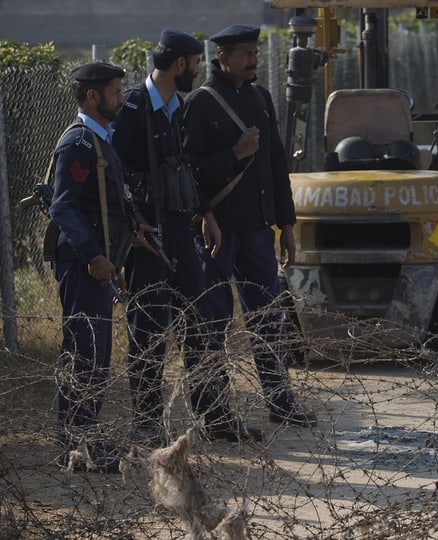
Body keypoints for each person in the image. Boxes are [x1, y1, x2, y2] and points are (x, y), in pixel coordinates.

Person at [113, 29, 272, 446]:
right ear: (180, 64)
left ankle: (215, 415)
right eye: (196, 63)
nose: (199, 70)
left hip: (181, 230)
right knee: (148, 331)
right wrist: (131, 224)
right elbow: (115, 173)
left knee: (201, 323)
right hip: (148, 236)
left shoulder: (175, 106)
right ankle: (147, 421)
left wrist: (206, 213)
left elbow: (180, 167)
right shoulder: (133, 106)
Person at [182, 24, 317, 436]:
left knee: (269, 320)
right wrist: (234, 154)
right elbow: (190, 173)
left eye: (255, 53)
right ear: (222, 58)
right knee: (212, 323)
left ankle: (280, 401)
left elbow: (277, 164)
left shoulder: (260, 98)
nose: (254, 60)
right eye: (245, 53)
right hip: (218, 233)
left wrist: (287, 225)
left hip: (258, 231)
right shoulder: (200, 105)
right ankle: (216, 414)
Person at [48, 62, 143, 472]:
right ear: (93, 96)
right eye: (116, 91)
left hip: (98, 265)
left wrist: (117, 253)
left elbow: (103, 207)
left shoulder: (101, 140)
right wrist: (94, 256)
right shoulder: (79, 143)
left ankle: (82, 444)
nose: (121, 98)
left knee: (96, 357)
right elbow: (63, 207)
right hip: (81, 265)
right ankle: (75, 445)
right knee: (84, 355)